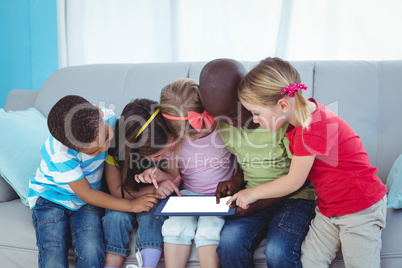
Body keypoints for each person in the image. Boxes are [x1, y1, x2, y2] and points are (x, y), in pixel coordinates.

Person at [230, 57, 387, 267]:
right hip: (328, 209)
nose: (255, 120)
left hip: (359, 209)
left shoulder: (312, 127)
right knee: (310, 262)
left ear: (283, 104)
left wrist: (251, 193)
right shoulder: (302, 116)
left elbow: (294, 182)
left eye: (256, 113)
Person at [199, 58, 317, 268]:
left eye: (234, 114)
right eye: (220, 118)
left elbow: (299, 178)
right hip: (253, 196)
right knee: (229, 244)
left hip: (295, 197)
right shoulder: (226, 126)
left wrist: (257, 202)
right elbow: (246, 162)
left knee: (277, 251)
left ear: (248, 97)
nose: (229, 123)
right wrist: (236, 181)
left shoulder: (279, 121)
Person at [28, 95, 160, 268]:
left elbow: (134, 147)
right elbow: (87, 194)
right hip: (51, 198)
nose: (105, 148)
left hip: (85, 202)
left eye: (106, 137)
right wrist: (132, 205)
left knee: (91, 249)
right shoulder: (61, 152)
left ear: (99, 111)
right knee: (53, 248)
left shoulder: (110, 118)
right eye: (95, 151)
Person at [137, 78, 237, 268]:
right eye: (187, 135)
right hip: (188, 194)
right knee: (175, 227)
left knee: (209, 229)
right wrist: (157, 175)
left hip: (220, 197)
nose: (196, 136)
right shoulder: (175, 143)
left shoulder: (224, 129)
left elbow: (241, 164)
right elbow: (174, 177)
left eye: (199, 131)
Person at [102, 98, 181, 268]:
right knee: (115, 218)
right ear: (137, 151)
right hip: (125, 198)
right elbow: (116, 190)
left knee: (152, 212)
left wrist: (161, 176)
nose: (168, 153)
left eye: (171, 146)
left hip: (150, 201)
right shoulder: (115, 152)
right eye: (158, 156)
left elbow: (175, 178)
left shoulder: (165, 139)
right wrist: (143, 195)